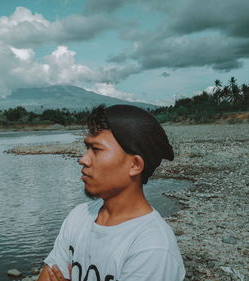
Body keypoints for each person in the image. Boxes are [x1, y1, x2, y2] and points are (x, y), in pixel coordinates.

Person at [37, 104, 185, 281]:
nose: (83, 159)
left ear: (135, 165)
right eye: (87, 148)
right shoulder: (78, 216)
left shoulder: (153, 247)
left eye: (97, 149)